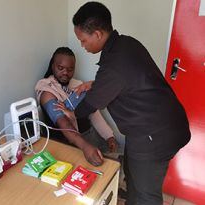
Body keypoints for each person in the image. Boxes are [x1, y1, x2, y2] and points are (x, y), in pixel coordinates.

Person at [71, 2, 191, 205]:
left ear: (98, 34)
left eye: (83, 40)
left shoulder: (114, 63)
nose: (83, 45)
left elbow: (89, 107)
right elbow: (128, 80)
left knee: (147, 195)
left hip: (154, 134)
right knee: (132, 173)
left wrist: (68, 112)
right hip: (163, 123)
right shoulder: (125, 43)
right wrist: (94, 84)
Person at [35, 47, 118, 161]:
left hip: (91, 135)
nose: (65, 73)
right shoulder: (46, 89)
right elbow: (63, 122)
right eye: (60, 68)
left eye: (70, 69)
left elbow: (93, 113)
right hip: (69, 143)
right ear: (52, 66)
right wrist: (85, 146)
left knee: (114, 162)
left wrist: (109, 136)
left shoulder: (78, 85)